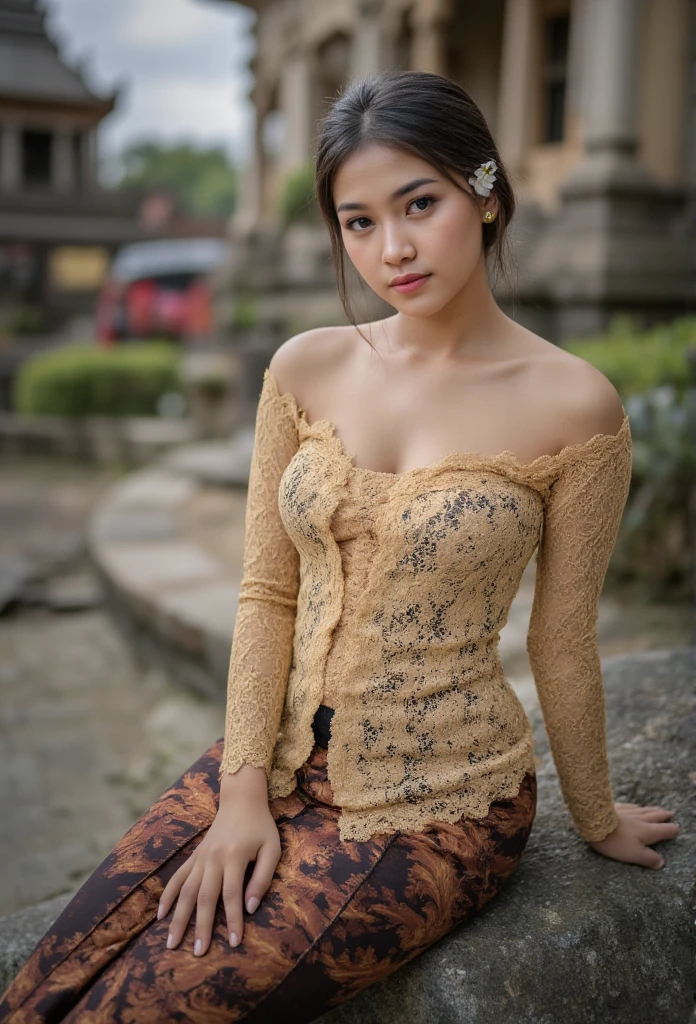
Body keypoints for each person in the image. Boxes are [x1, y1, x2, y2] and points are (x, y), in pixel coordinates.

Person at [0, 69, 679, 1024]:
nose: (391, 248)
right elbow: (265, 594)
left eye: (419, 203)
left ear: (485, 193)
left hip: (444, 804)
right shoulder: (307, 367)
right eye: (358, 222)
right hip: (269, 761)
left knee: (139, 1010)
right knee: (46, 986)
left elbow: (564, 639)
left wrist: (597, 815)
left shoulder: (575, 403)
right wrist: (241, 796)